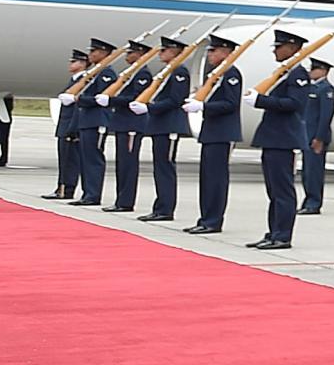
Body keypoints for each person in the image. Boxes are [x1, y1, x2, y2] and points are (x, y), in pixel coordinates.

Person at [245, 30, 311, 251]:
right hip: (273, 138)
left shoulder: (298, 74)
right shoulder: (284, 73)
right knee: (273, 190)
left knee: (283, 191)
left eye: (279, 46)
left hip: (284, 138)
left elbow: (294, 103)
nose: (275, 50)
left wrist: (261, 101)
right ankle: (273, 232)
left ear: (293, 48)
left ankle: (283, 235)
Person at [182, 34, 243, 235]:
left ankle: (214, 220)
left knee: (216, 180)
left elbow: (230, 104)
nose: (210, 54)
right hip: (211, 132)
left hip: (222, 133)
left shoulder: (231, 74)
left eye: (214, 50)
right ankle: (205, 218)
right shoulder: (216, 74)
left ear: (226, 52)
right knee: (207, 179)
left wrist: (203, 105)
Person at [135, 33, 193, 223]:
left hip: (170, 125)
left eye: (164, 50)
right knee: (159, 167)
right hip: (160, 125)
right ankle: (160, 206)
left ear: (175, 51)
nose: (160, 53)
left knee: (165, 168)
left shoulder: (179, 72)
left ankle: (165, 209)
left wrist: (150, 107)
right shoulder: (169, 71)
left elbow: (175, 100)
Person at [99, 38, 155, 214]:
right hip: (122, 123)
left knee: (129, 164)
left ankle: (126, 201)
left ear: (141, 55)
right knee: (122, 164)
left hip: (132, 124)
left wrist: (112, 100)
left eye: (131, 53)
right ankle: (120, 199)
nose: (127, 55)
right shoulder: (131, 73)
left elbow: (136, 98)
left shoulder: (142, 75)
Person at [63, 38, 117, 206]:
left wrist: (80, 99)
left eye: (93, 51)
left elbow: (102, 97)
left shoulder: (107, 73)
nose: (90, 55)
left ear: (104, 53)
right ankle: (88, 193)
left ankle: (93, 194)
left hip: (97, 120)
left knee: (94, 159)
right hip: (87, 120)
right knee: (86, 159)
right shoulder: (96, 72)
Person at [43, 50, 87, 200]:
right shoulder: (75, 80)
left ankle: (66, 189)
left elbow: (77, 107)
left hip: (71, 127)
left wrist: (73, 129)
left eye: (74, 62)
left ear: (82, 64)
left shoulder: (83, 80)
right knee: (64, 160)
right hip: (65, 125)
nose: (70, 64)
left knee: (70, 161)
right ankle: (61, 187)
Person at [298, 59, 334, 216]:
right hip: (307, 135)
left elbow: (325, 116)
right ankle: (308, 200)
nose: (311, 72)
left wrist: (319, 138)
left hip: (316, 137)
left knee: (314, 172)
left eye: (314, 69)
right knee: (307, 172)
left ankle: (314, 203)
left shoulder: (326, 89)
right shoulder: (311, 88)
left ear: (324, 71)